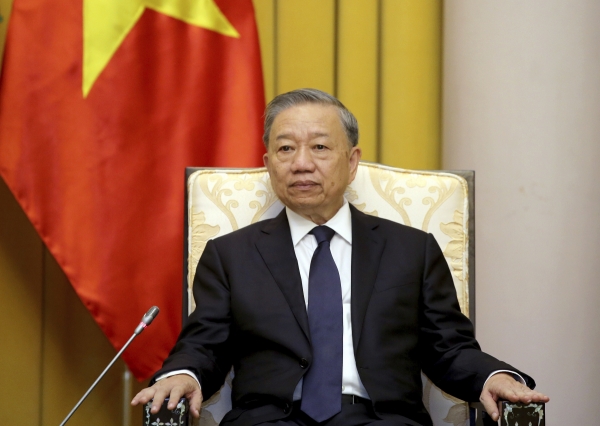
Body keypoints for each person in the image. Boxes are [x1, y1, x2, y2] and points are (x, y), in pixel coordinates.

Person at [132, 88, 549, 426]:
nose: (301, 164)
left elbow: (449, 349)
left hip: (380, 420)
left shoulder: (411, 250)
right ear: (267, 164)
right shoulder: (230, 256)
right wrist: (182, 374)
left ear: (352, 163)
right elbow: (204, 345)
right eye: (285, 149)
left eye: (319, 147)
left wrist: (493, 376)